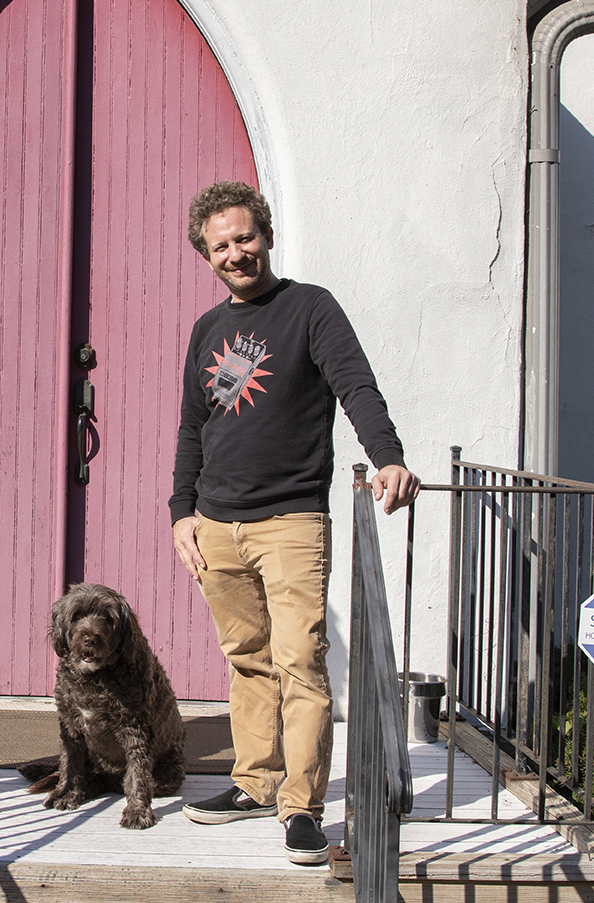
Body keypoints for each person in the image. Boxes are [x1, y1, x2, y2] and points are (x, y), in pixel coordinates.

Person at [168, 181, 419, 864]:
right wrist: (180, 513)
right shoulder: (207, 330)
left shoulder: (310, 308)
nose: (235, 253)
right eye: (219, 246)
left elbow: (356, 386)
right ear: (206, 255)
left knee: (300, 663)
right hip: (217, 525)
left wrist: (388, 458)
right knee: (247, 662)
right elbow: (194, 427)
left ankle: (301, 807)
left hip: (291, 521)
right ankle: (254, 781)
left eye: (244, 238)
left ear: (267, 236)